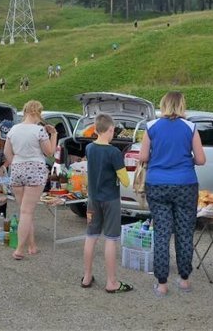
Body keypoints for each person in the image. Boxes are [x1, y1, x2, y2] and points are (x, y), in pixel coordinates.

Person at [140, 91, 206, 297]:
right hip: (185, 184)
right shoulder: (190, 127)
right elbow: (201, 159)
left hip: (157, 184)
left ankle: (161, 284)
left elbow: (142, 156)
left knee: (161, 232)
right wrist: (187, 160)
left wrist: (157, 158)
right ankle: (184, 280)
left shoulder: (151, 127)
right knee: (185, 232)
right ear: (181, 105)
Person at [0, 100, 58, 260]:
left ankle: (32, 246)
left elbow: (7, 152)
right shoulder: (39, 131)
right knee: (27, 211)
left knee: (24, 211)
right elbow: (50, 152)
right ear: (36, 113)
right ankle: (19, 249)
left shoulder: (13, 130)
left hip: (17, 169)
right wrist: (54, 134)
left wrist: (16, 162)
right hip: (35, 169)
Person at [81, 113, 133, 293]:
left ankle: (87, 276)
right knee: (110, 239)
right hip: (110, 199)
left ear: (95, 130)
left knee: (91, 235)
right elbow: (125, 181)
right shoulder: (114, 152)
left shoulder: (89, 148)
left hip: (93, 199)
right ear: (110, 130)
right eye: (113, 131)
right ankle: (111, 282)